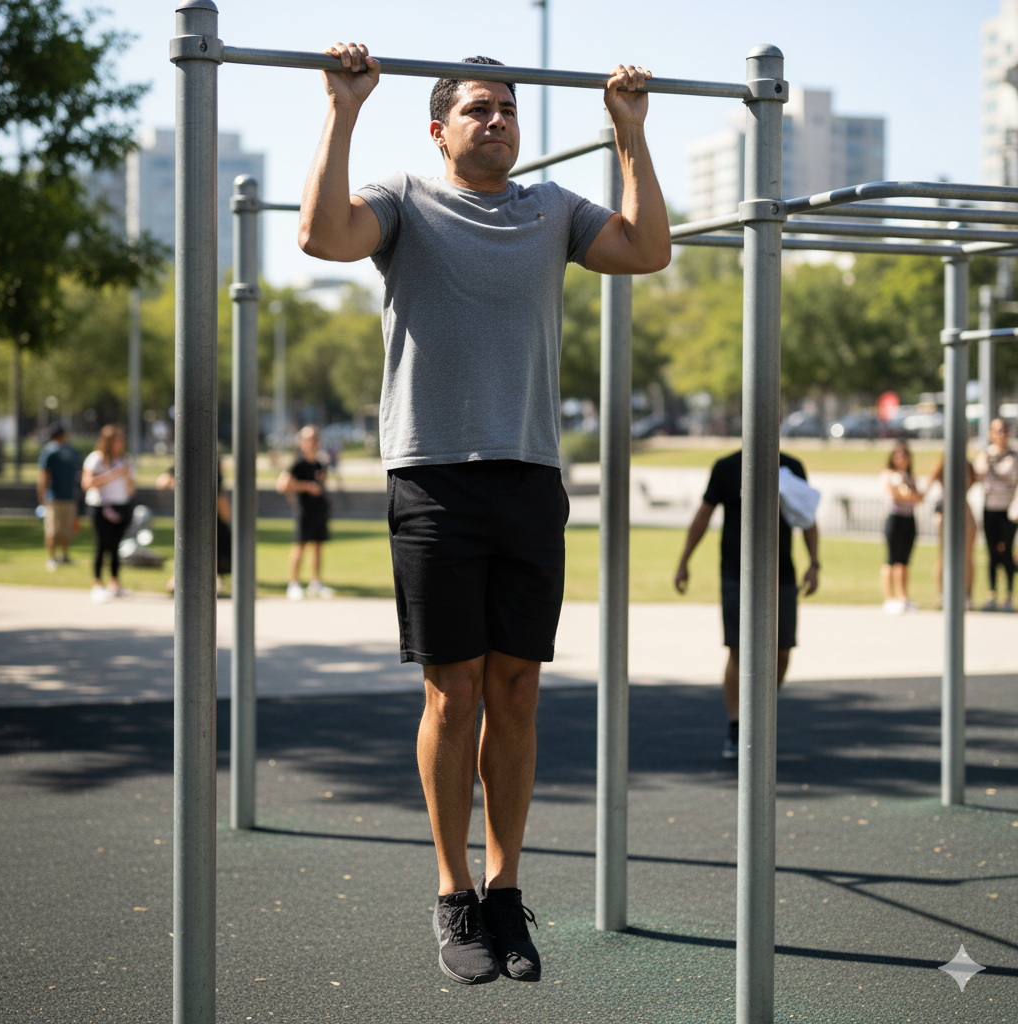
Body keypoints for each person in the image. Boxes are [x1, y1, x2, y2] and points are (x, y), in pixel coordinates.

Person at [299, 44, 669, 985]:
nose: (496, 118)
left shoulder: (553, 211)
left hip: (530, 477)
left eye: (506, 107)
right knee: (451, 692)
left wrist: (630, 134)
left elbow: (648, 249)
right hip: (432, 477)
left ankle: (507, 892)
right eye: (476, 109)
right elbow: (320, 238)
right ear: (440, 127)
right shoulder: (405, 201)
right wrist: (343, 109)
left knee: (517, 692)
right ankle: (453, 893)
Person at [673, 450, 820, 760]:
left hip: (781, 574)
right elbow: (703, 514)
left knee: (781, 652)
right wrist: (684, 560)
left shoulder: (790, 467)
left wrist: (815, 563)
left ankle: (759, 713)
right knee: (739, 650)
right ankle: (737, 725)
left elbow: (807, 518)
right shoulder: (727, 467)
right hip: (736, 573)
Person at [156, 461, 231, 595]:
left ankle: (180, 582)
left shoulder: (185, 463)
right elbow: (221, 499)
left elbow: (162, 482)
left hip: (189, 516)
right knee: (209, 552)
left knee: (190, 550)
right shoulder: (212, 471)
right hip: (210, 519)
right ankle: (191, 583)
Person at [277, 425, 334, 600]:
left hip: (319, 511)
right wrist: (306, 487)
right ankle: (293, 584)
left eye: (316, 439)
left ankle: (315, 583)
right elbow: (282, 485)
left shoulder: (320, 463)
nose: (313, 442)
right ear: (302, 442)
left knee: (317, 547)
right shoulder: (297, 465)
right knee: (299, 547)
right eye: (309, 439)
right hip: (304, 511)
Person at [81, 424, 135, 602]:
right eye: (118, 439)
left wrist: (126, 476)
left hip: (121, 506)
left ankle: (115, 584)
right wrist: (113, 474)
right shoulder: (96, 459)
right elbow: (87, 483)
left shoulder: (124, 460)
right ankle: (97, 584)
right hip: (100, 506)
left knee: (115, 546)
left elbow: (131, 489)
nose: (121, 442)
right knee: (102, 545)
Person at [973, 417, 1018, 612]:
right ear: (990, 434)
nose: (1000, 435)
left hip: (1008, 511)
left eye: (1003, 431)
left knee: (1007, 552)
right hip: (990, 509)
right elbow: (976, 476)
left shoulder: (1014, 457)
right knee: (992, 553)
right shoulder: (985, 455)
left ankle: (1008, 596)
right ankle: (992, 594)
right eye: (996, 431)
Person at [927, 455, 976, 610]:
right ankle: (943, 595)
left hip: (963, 508)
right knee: (943, 555)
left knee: (967, 556)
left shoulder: (967, 465)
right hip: (945, 507)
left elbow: (974, 481)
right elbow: (929, 483)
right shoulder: (942, 463)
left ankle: (967, 596)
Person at [880, 442, 923, 614]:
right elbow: (894, 494)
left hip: (909, 519)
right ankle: (889, 598)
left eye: (905, 455)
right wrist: (908, 494)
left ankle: (903, 597)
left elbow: (918, 498)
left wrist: (909, 494)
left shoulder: (910, 477)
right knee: (891, 559)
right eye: (898, 455)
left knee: (904, 562)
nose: (901, 459)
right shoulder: (889, 475)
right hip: (895, 519)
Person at [36, 422, 81, 570]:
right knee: (53, 530)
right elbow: (44, 476)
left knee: (67, 529)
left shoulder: (71, 451)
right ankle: (52, 558)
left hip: (68, 496)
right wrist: (42, 498)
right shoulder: (49, 451)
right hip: (53, 497)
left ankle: (65, 556)